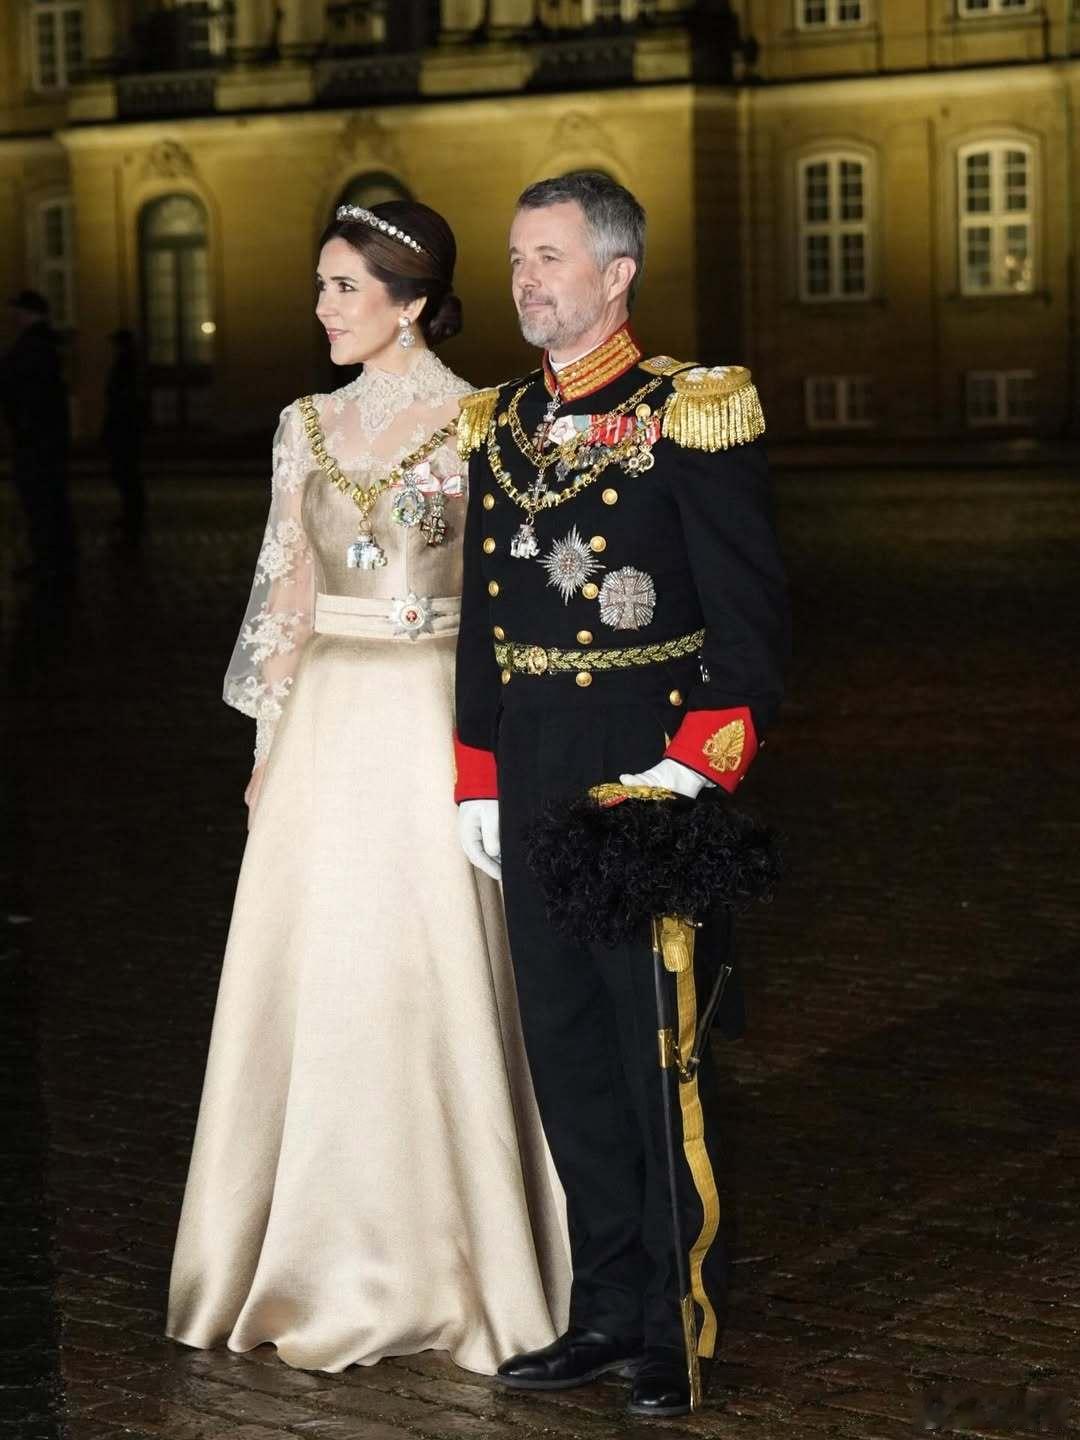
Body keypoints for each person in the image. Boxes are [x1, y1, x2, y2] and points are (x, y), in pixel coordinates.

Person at [166, 200, 569, 1375]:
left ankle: (464, 1259)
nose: (324, 307)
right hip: (325, 729)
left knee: (431, 968)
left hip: (431, 716)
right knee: (322, 972)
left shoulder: (486, 422)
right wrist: (265, 753)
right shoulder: (304, 424)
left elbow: (517, 599)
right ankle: (300, 1250)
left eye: (344, 287)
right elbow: (286, 593)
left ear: (411, 300)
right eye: (321, 286)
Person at [453, 171, 789, 1416]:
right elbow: (483, 626)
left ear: (616, 272)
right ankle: (601, 1308)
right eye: (516, 258)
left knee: (657, 1055)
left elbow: (751, 627)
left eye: (549, 257)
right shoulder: (501, 422)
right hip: (534, 759)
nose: (526, 280)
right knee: (567, 1048)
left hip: (642, 763)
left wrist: (690, 769)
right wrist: (477, 772)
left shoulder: (688, 411)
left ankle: (672, 1321)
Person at [0, 289, 75, 583]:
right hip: (43, 437)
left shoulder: (33, 346)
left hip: (35, 439)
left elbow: (21, 389)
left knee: (41, 503)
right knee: (50, 502)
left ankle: (50, 563)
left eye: (16, 310)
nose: (11, 316)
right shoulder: (43, 343)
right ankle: (55, 561)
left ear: (27, 312)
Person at [102, 328, 146, 543]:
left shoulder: (125, 365)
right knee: (127, 474)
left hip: (124, 429)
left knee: (126, 474)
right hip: (126, 429)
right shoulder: (130, 364)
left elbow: (120, 399)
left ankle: (132, 516)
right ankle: (132, 514)